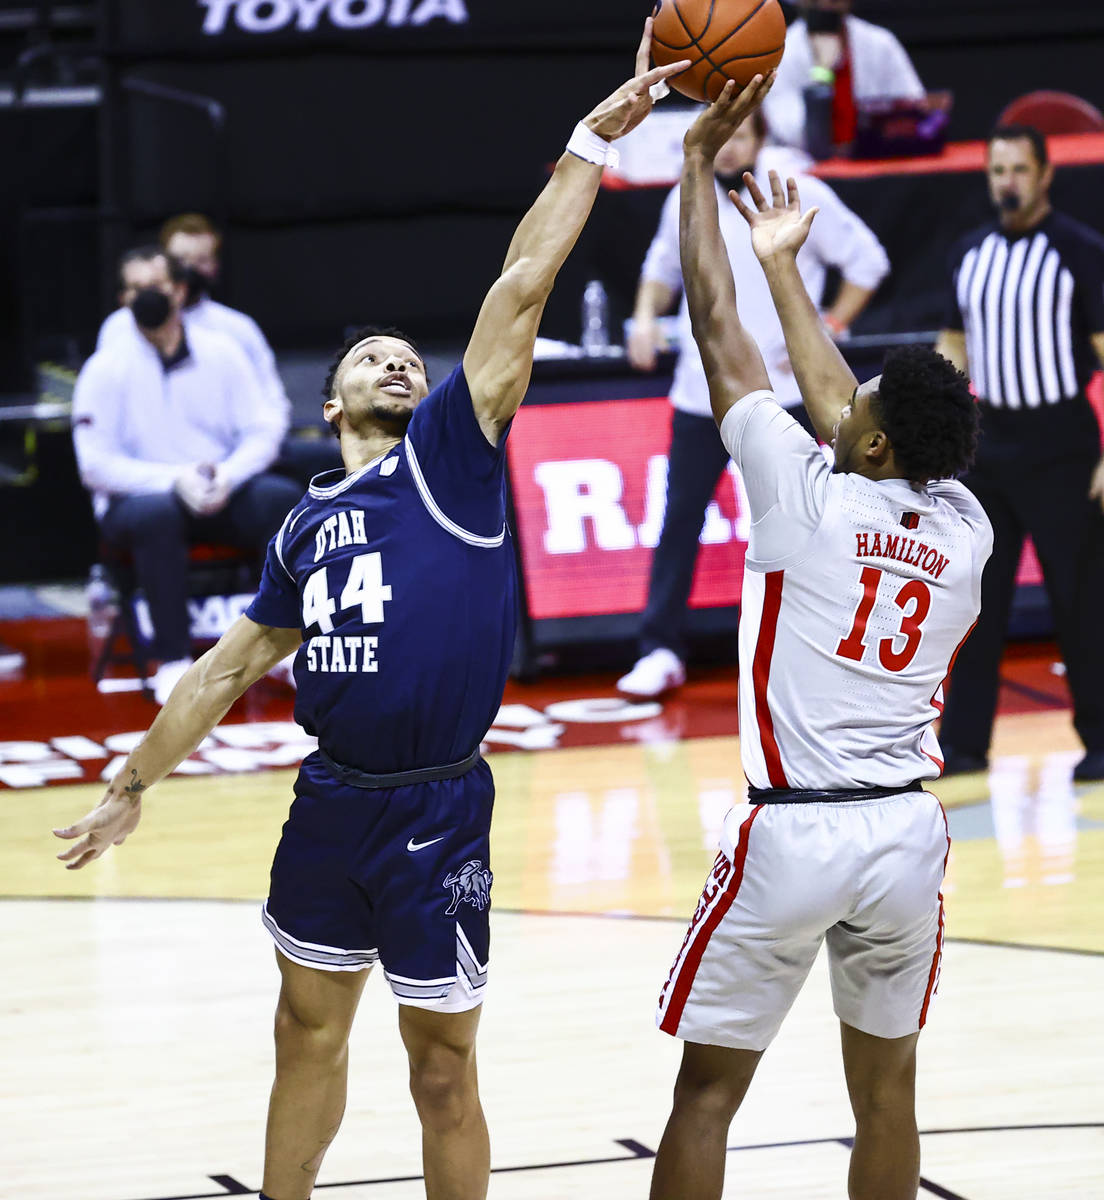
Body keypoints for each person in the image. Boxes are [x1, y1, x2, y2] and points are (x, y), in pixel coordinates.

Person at [55, 29, 689, 1200]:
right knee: (303, 1031)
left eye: (409, 355)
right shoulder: (300, 524)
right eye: (373, 356)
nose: (399, 361)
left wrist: (589, 144)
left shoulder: (453, 453)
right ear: (332, 396)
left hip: (439, 804)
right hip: (330, 798)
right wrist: (130, 785)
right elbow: (220, 670)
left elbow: (518, 288)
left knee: (441, 1069)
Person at [648, 78, 991, 1200]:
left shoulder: (804, 500)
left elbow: (716, 330)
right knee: (887, 1097)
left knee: (706, 1099)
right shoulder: (965, 525)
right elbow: (840, 392)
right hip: (902, 836)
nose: (840, 407)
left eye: (861, 410)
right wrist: (790, 265)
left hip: (794, 835)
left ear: (875, 442)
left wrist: (697, 170)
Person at [619, 107, 889, 697]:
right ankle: (660, 648)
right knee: (679, 521)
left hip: (790, 395)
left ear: (762, 139)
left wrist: (834, 322)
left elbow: (869, 260)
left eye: (743, 135)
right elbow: (660, 270)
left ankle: (831, 644)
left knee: (817, 522)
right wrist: (643, 316)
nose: (732, 147)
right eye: (725, 136)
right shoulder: (685, 198)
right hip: (703, 393)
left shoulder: (800, 192)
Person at [936, 124, 1104, 782]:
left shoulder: (1080, 252)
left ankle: (1100, 739)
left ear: (1044, 175)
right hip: (989, 445)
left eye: (1018, 169)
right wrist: (948, 431)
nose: (1006, 181)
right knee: (977, 606)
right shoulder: (969, 252)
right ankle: (966, 745)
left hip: (1063, 443)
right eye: (996, 169)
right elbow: (953, 340)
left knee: (1082, 602)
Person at [72, 245, 300, 704]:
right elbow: (94, 464)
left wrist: (229, 475)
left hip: (220, 488)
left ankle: (286, 647)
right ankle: (174, 660)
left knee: (281, 500)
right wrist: (174, 480)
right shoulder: (105, 367)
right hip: (139, 501)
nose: (145, 297)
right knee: (157, 516)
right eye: (135, 289)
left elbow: (263, 429)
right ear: (122, 299)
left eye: (154, 286)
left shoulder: (223, 352)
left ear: (178, 290)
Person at [763, 0, 925, 156]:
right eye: (816, 1)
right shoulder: (783, 51)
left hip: (873, 161)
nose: (826, 5)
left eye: (834, 0)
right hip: (804, 167)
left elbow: (915, 108)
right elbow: (790, 133)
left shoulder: (880, 43)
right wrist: (822, 72)